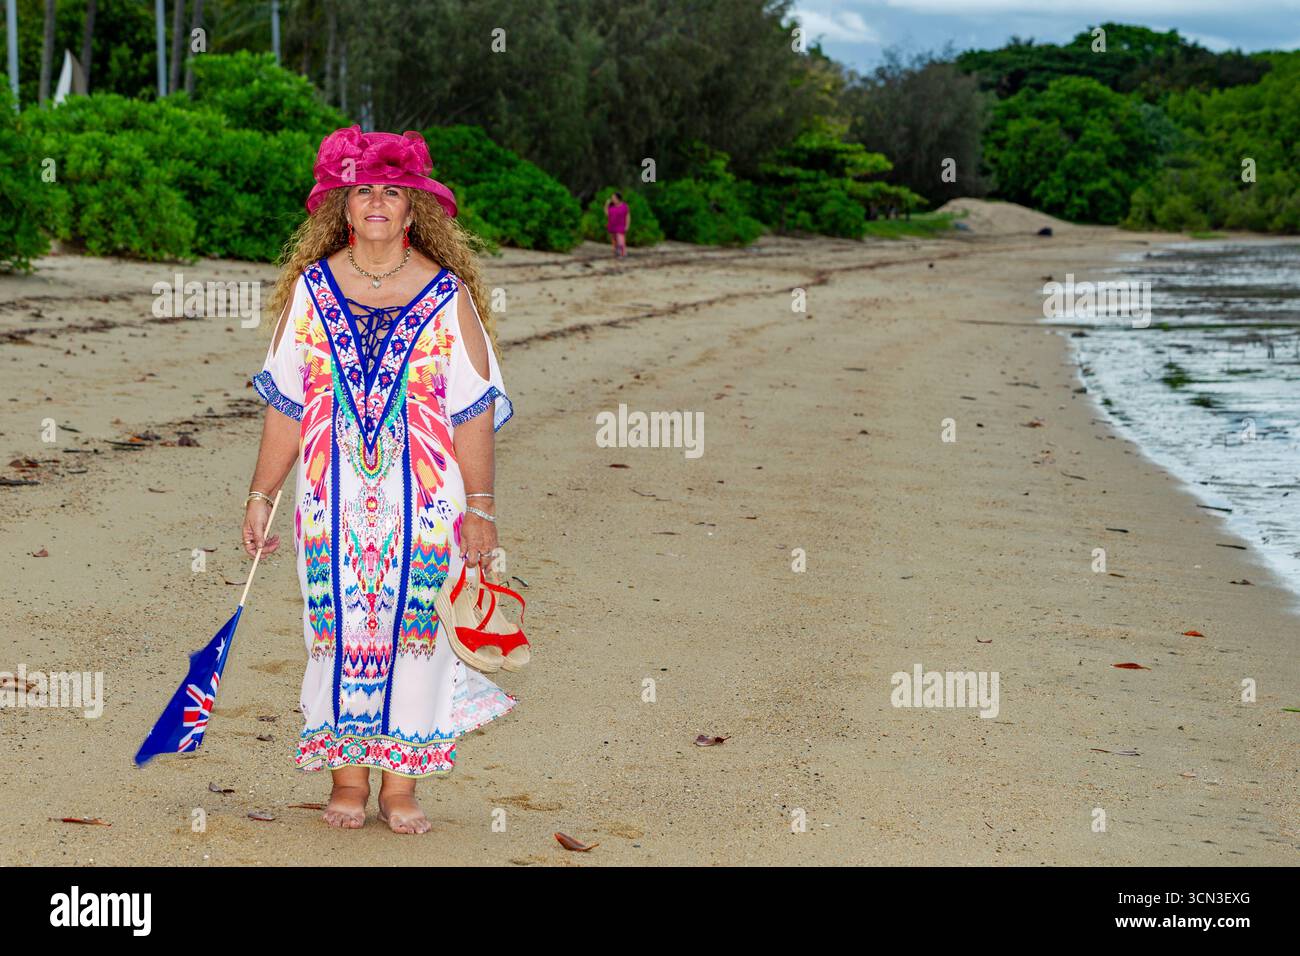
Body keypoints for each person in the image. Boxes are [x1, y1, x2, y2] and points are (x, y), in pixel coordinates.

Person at [242, 125, 517, 835]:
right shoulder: (312, 289)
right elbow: (287, 403)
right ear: (341, 203)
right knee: (334, 630)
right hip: (329, 502)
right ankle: (347, 779)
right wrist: (261, 494)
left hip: (426, 502)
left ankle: (400, 789)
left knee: (416, 634)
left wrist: (481, 509)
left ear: (412, 209)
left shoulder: (446, 294)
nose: (376, 202)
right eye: (362, 188)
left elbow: (473, 409)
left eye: (392, 191)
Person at [604, 191, 630, 258]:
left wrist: (627, 225)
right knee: (614, 241)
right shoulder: (611, 206)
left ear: (618, 198)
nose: (612, 199)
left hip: (621, 226)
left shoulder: (624, 206)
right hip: (612, 225)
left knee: (620, 239)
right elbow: (607, 214)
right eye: (612, 197)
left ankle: (623, 253)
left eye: (614, 197)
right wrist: (606, 204)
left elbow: (628, 216)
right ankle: (617, 252)